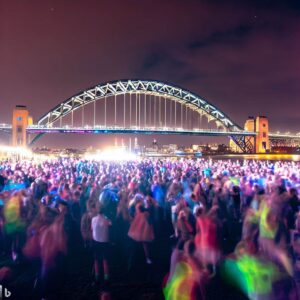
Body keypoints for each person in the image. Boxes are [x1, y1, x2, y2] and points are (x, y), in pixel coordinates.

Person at [91, 205, 112, 284]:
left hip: (95, 242)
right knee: (105, 260)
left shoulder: (93, 219)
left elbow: (91, 229)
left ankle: (97, 277)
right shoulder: (107, 220)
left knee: (96, 260)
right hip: (105, 242)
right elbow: (111, 225)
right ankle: (106, 278)